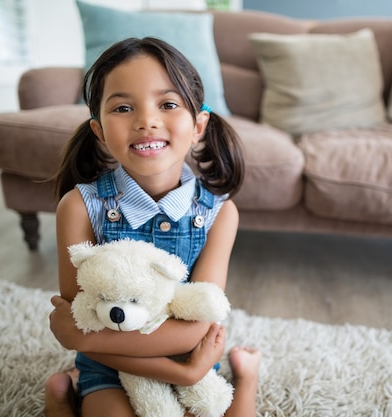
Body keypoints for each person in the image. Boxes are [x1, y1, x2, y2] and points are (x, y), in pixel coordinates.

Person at [44, 36, 261, 417]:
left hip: (188, 361)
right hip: (109, 365)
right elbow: (83, 320)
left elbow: (195, 328)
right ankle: (63, 397)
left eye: (168, 104)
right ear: (99, 131)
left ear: (198, 125)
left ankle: (247, 378)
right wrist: (79, 335)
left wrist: (191, 370)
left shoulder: (220, 214)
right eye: (124, 107)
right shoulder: (79, 207)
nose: (146, 121)